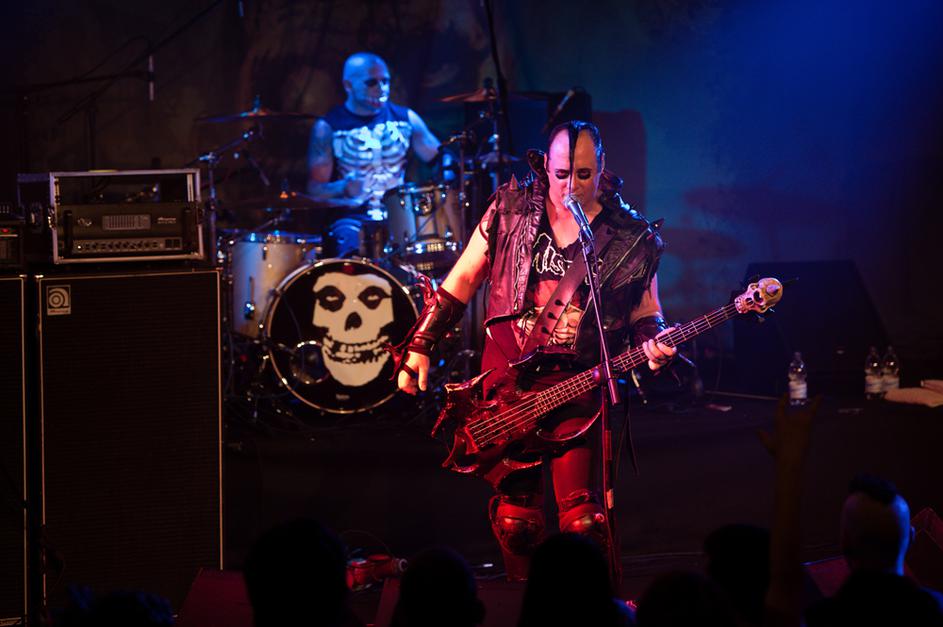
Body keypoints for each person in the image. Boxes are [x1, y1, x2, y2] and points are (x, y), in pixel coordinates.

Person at [392, 120, 676, 579]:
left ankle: (584, 605)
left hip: (576, 386)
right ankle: (520, 602)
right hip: (509, 382)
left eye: (583, 174)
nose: (571, 186)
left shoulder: (630, 236)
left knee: (583, 522)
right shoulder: (510, 210)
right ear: (545, 165)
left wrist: (653, 342)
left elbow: (647, 310)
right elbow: (462, 278)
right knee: (517, 520)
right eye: (561, 174)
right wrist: (421, 344)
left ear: (602, 167)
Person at [307, 52, 443, 254]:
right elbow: (314, 189)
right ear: (348, 85)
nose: (382, 89)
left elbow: (442, 160)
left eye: (385, 81)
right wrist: (343, 187)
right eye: (371, 82)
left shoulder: (406, 119)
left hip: (400, 218)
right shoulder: (328, 127)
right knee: (349, 244)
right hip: (353, 219)